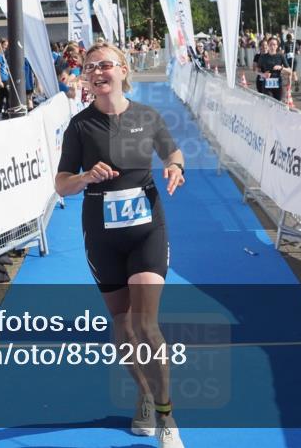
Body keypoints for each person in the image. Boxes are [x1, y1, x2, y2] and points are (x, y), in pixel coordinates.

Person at [54, 42, 186, 448]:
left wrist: (175, 166)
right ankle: (145, 396)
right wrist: (85, 177)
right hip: (101, 235)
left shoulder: (147, 116)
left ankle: (167, 417)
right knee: (124, 326)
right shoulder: (80, 126)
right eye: (90, 67)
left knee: (147, 325)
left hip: (146, 229)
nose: (96, 72)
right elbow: (61, 183)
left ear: (123, 70)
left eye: (105, 65)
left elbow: (173, 150)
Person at [258, 37, 290, 101]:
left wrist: (281, 68)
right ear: (268, 45)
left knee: (279, 103)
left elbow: (289, 71)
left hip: (279, 84)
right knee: (269, 103)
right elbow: (256, 70)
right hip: (267, 85)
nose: (272, 47)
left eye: (274, 45)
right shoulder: (263, 57)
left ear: (277, 46)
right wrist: (263, 74)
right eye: (270, 44)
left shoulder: (281, 56)